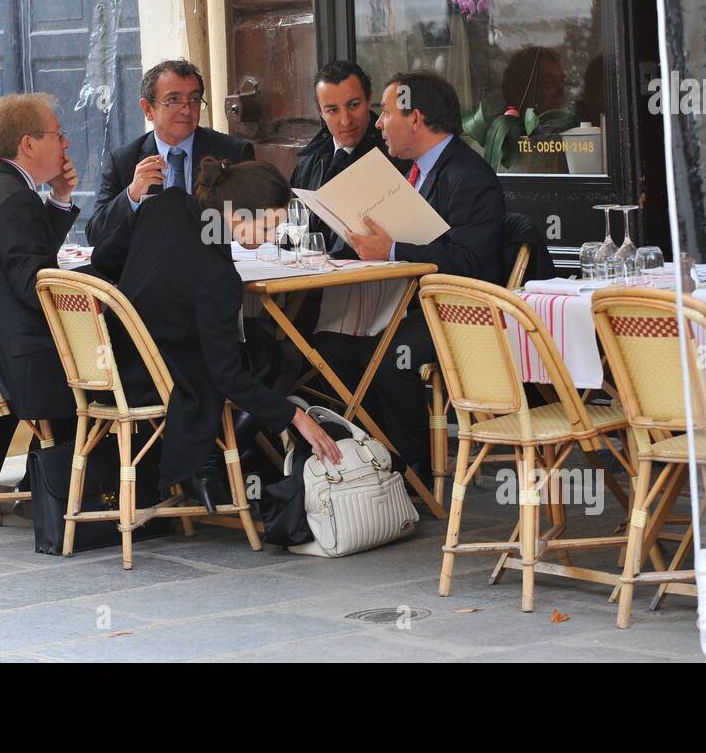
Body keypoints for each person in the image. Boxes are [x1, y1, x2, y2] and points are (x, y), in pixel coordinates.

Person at [91, 157, 342, 512]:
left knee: (261, 342)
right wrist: (295, 416)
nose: (273, 238)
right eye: (269, 229)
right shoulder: (218, 277)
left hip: (114, 358)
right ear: (239, 218)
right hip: (156, 376)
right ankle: (214, 459)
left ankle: (214, 460)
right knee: (276, 355)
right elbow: (226, 375)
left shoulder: (168, 202)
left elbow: (103, 259)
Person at [314, 70, 506, 477]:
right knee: (330, 348)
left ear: (415, 118)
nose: (378, 123)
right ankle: (367, 461)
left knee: (388, 361)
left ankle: (409, 468)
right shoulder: (412, 171)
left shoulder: (469, 177)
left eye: (385, 113)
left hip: (459, 313)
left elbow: (470, 262)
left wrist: (393, 250)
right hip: (406, 303)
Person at [0, 93, 81, 473]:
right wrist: (94, 290)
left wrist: (60, 198)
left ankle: (43, 480)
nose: (66, 143)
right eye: (58, 134)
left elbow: (25, 259)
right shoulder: (13, 197)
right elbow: (34, 285)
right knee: (119, 360)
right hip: (19, 360)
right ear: (28, 144)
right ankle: (70, 486)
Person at [83, 59, 254, 245]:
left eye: (194, 99)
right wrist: (131, 195)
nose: (187, 110)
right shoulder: (124, 161)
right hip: (149, 270)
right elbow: (96, 235)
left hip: (218, 267)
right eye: (173, 100)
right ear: (148, 109)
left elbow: (257, 224)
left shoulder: (233, 153)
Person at [290, 60, 401, 255]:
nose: (346, 120)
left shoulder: (395, 155)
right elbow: (290, 236)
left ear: (369, 99)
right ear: (320, 112)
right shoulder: (308, 161)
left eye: (354, 105)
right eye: (332, 110)